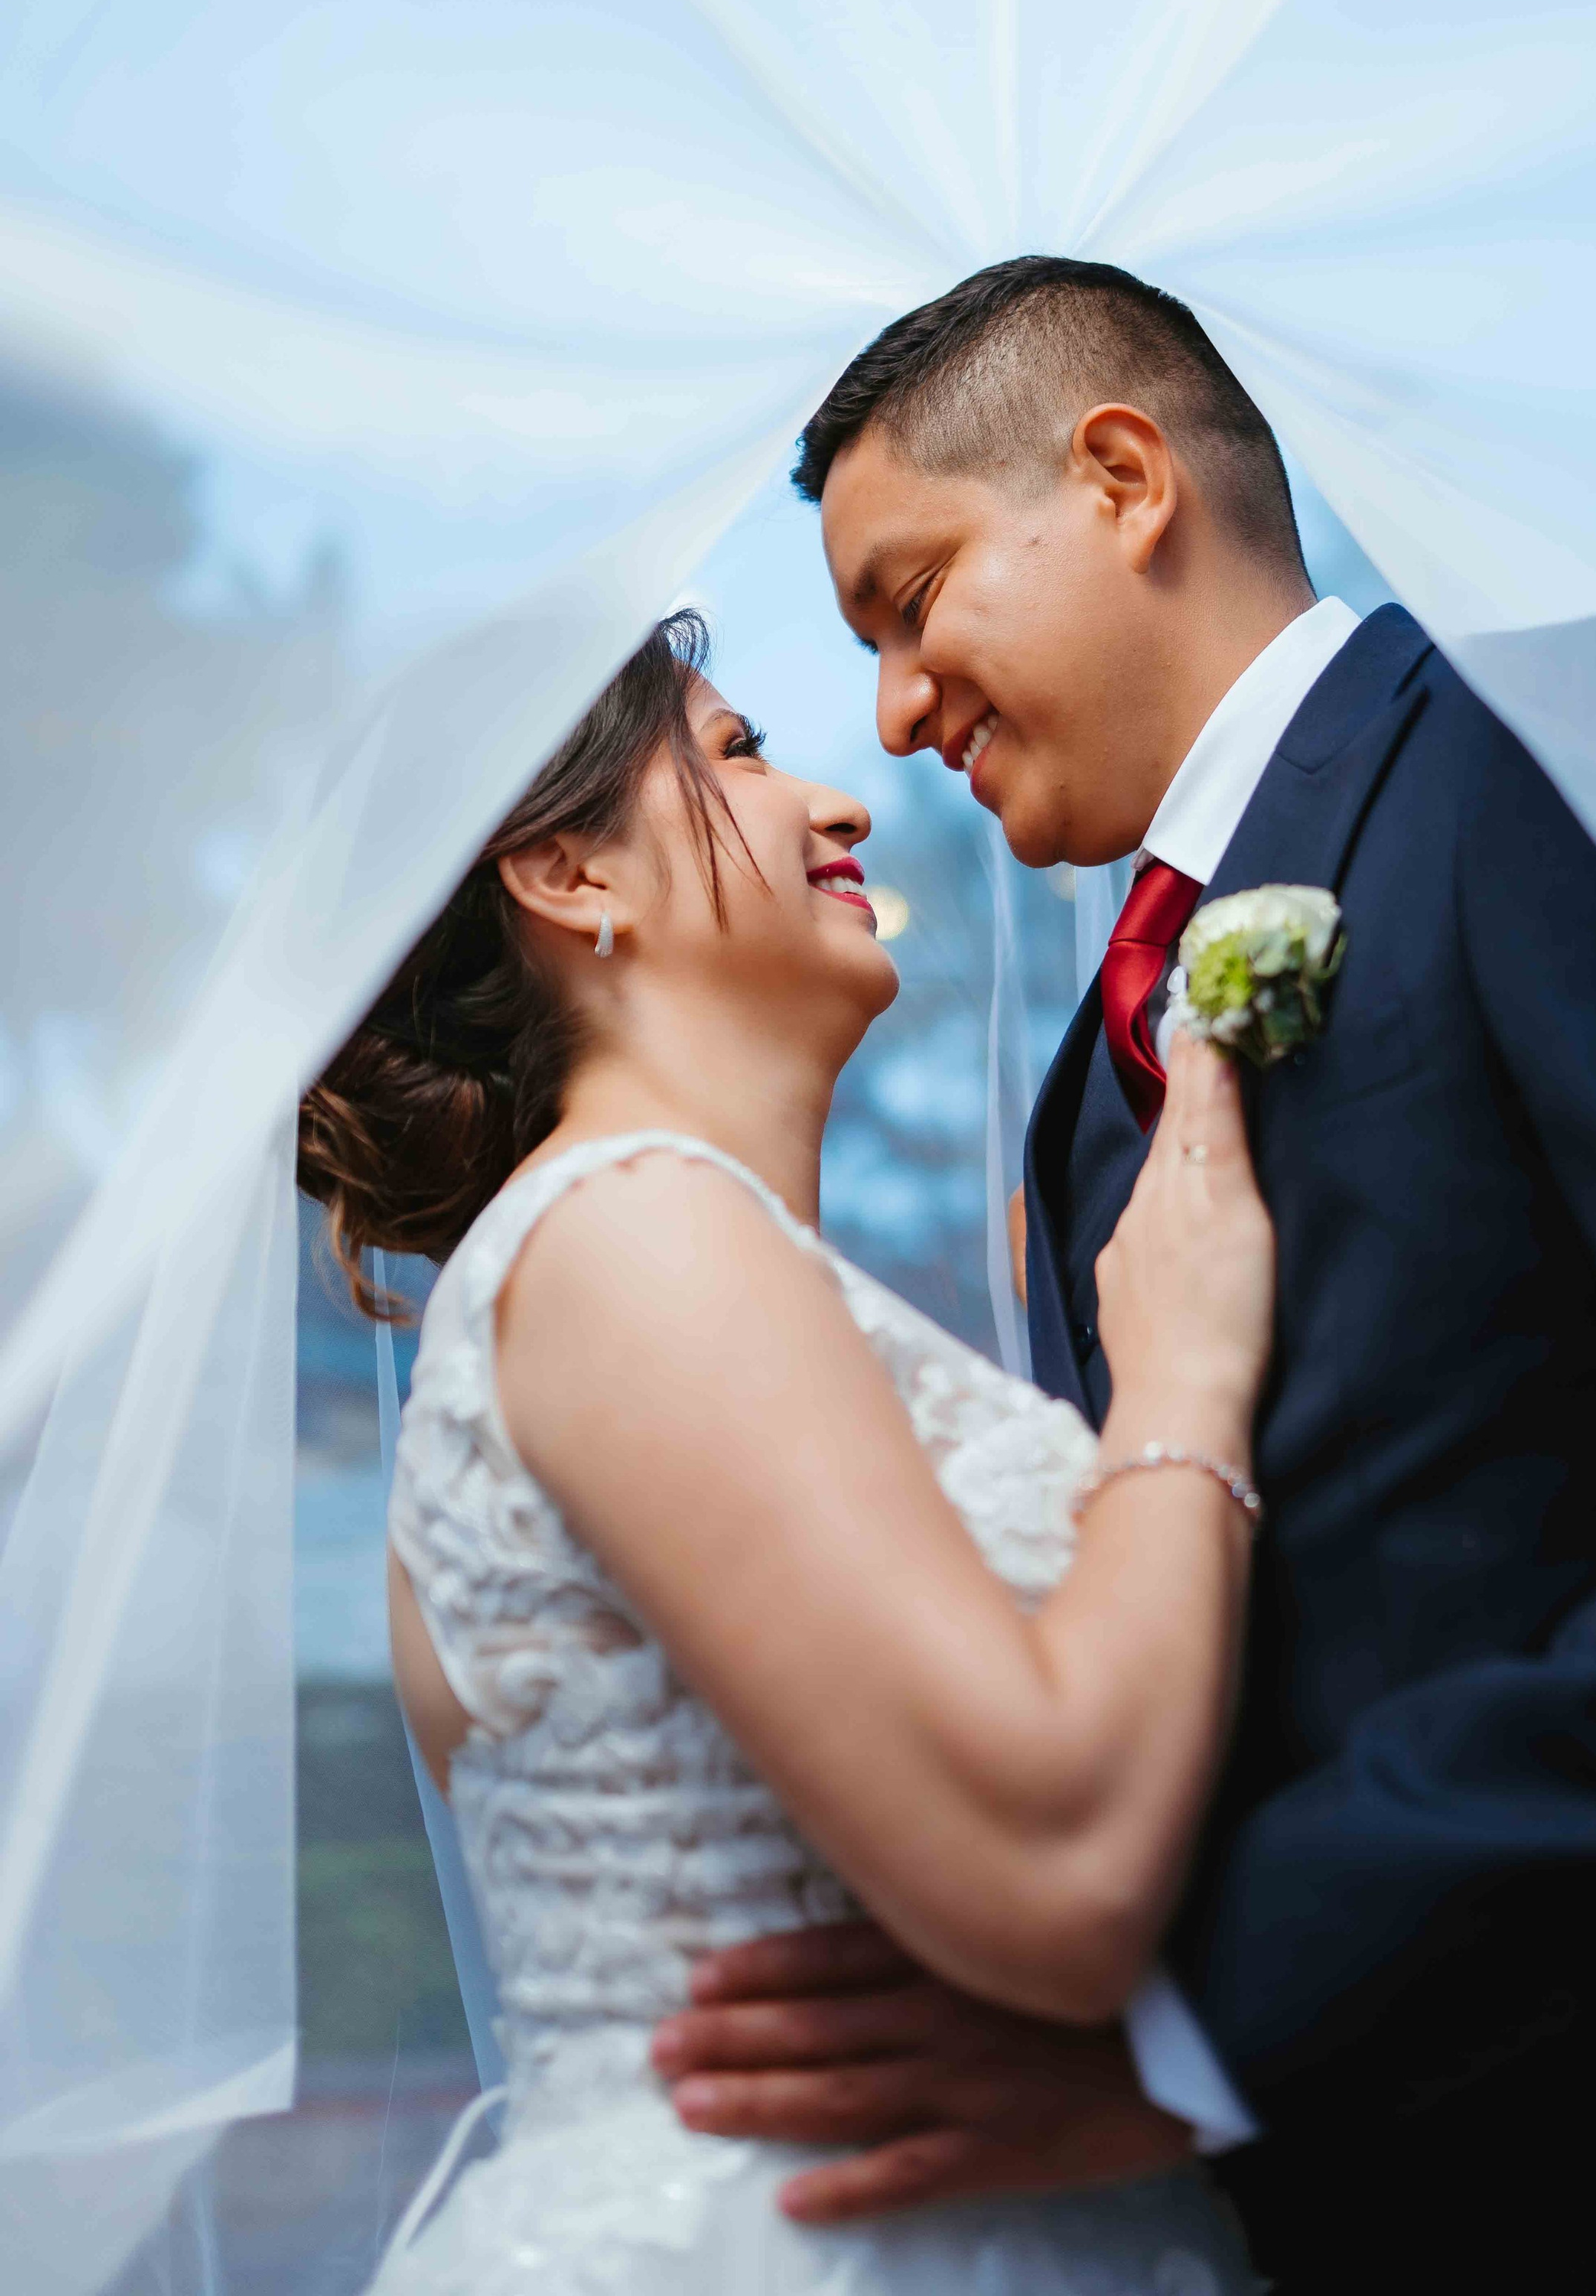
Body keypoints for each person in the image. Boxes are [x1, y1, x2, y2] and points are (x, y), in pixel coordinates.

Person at [650, 258, 1596, 2294]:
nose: (889, 707)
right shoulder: (1080, 1100)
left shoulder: (1552, 747)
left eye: (911, 599)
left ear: (1125, 478)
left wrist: (1217, 2012)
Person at [298, 607, 1273, 2294]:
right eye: (738, 755)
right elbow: (1053, 1863)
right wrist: (1183, 1385)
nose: (841, 803)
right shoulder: (622, 1239)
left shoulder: (649, 1264)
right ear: (564, 876)